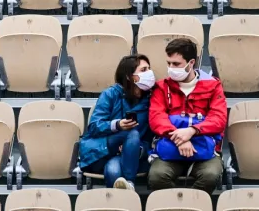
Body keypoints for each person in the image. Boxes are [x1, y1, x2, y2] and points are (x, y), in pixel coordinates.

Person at [147, 38, 227, 193]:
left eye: (176, 64)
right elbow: (156, 118)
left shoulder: (213, 86)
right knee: (157, 176)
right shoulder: (162, 87)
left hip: (203, 150)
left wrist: (191, 131)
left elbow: (218, 119)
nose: (171, 68)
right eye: (168, 63)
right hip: (170, 148)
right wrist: (180, 139)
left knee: (210, 175)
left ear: (191, 63)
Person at [79, 54, 154, 190]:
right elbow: (94, 126)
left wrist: (136, 148)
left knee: (113, 171)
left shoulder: (151, 100)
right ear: (128, 76)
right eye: (143, 70)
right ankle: (130, 183)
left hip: (130, 156)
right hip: (102, 150)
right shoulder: (110, 94)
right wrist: (117, 125)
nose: (149, 73)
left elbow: (151, 137)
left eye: (149, 69)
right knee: (132, 132)